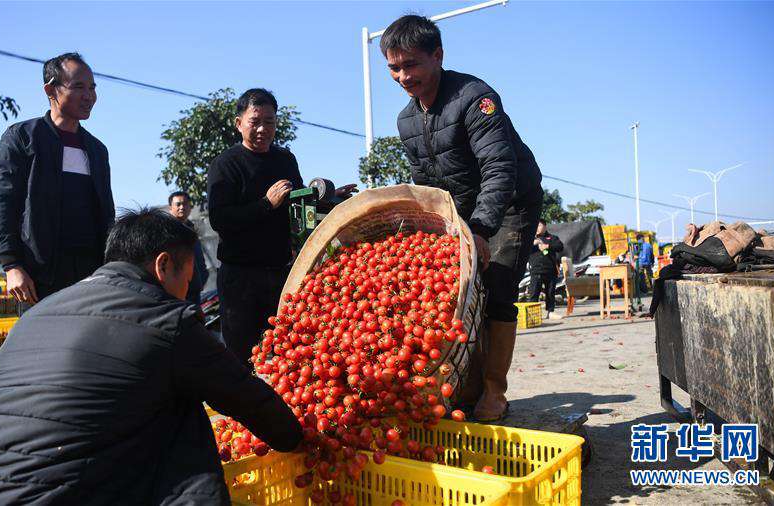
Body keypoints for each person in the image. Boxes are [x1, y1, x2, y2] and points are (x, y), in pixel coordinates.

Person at [0, 208, 302, 505]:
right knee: (182, 410)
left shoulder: (37, 314)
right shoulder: (166, 320)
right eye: (188, 280)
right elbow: (246, 398)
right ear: (163, 266)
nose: (186, 294)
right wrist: (299, 439)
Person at [382, 15, 543, 421]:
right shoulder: (406, 120)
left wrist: (484, 230)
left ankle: (494, 391)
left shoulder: (475, 98)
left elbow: (499, 167)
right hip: (464, 212)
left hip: (509, 205)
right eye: (394, 68)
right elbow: (427, 187)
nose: (403, 76)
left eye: (411, 65)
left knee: (498, 283)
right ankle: (465, 386)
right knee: (455, 293)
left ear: (437, 55)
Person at [207, 89, 355, 366]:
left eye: (270, 121)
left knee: (286, 353)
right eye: (255, 121)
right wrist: (265, 204)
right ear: (239, 123)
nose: (263, 128)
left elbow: (298, 204)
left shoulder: (284, 160)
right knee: (245, 357)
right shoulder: (225, 165)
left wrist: (331, 200)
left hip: (282, 274)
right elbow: (220, 220)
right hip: (241, 279)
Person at [0, 52, 114, 305]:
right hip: (39, 278)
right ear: (51, 90)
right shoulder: (23, 138)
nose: (89, 95)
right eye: (78, 86)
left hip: (92, 277)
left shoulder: (97, 150)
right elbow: (4, 201)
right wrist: (11, 265)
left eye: (92, 88)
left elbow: (107, 213)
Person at [168, 190, 209, 308]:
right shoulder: (167, 231)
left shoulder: (191, 229)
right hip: (177, 292)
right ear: (171, 208)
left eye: (185, 204)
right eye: (178, 204)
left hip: (194, 289)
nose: (182, 207)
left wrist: (203, 275)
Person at [527, 219, 564, 319]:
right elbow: (522, 248)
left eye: (539, 226)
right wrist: (533, 243)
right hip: (536, 270)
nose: (537, 228)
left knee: (550, 292)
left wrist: (547, 246)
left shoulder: (552, 237)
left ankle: (550, 312)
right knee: (534, 292)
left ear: (545, 226)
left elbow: (560, 246)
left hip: (550, 269)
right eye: (536, 226)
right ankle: (532, 314)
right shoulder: (530, 238)